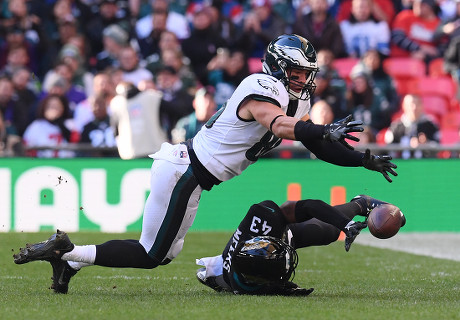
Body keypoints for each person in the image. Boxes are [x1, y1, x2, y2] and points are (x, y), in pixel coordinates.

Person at [13, 34, 398, 295]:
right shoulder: (260, 87)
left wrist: (362, 159)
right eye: (297, 73)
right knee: (153, 255)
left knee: (163, 251)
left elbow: (319, 145)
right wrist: (321, 129)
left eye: (306, 74)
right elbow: (278, 124)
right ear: (279, 68)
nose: (303, 81)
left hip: (192, 175)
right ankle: (65, 252)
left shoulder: (297, 102)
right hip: (186, 170)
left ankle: (71, 261)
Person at [196, 195, 406, 295]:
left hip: (272, 236)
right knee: (328, 234)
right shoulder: (244, 286)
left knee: (328, 230)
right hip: (258, 254)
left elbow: (308, 206)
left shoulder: (266, 217)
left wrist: (345, 224)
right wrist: (281, 290)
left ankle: (362, 203)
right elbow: (268, 287)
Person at [384, 93, 440, 159]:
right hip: (402, 166)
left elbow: (438, 147)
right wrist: (404, 146)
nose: (414, 107)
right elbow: (388, 149)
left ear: (422, 106)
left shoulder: (431, 125)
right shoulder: (396, 127)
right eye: (411, 104)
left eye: (417, 104)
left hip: (425, 165)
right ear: (404, 106)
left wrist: (425, 144)